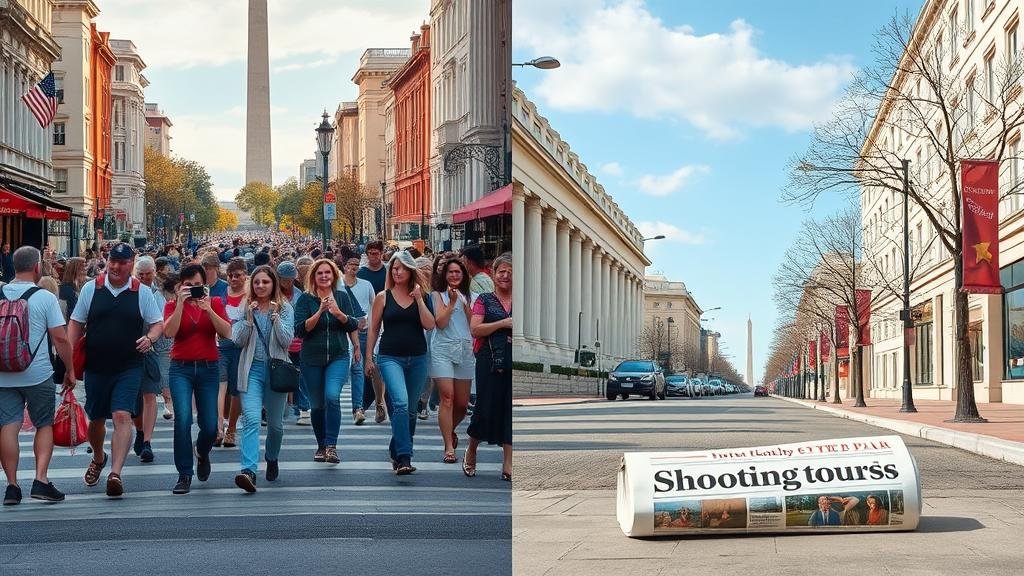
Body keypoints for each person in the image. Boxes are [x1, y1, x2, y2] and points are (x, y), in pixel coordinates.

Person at [68, 243, 164, 498]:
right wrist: (67, 361)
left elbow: (157, 324)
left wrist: (151, 339)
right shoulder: (92, 288)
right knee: (96, 420)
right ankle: (99, 458)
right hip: (97, 366)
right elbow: (76, 323)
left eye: (122, 262)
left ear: (131, 264)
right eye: (112, 260)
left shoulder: (141, 292)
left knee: (122, 415)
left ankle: (115, 473)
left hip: (129, 366)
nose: (115, 266)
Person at [0, 247, 76, 504]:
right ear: (37, 267)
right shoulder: (44, 297)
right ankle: (40, 480)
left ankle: (11, 486)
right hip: (37, 372)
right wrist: (70, 370)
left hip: (3, 373)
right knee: (44, 424)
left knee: (8, 426)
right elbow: (60, 338)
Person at [162, 263, 232, 494]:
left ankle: (201, 451)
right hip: (180, 368)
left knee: (211, 425)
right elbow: (169, 332)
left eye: (198, 285)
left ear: (205, 285)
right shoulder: (172, 305)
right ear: (180, 286)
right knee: (182, 420)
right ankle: (184, 473)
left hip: (208, 367)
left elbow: (226, 332)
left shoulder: (215, 303)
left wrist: (208, 309)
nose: (193, 289)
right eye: (188, 285)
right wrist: (181, 303)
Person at [364, 251, 435, 475]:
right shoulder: (383, 297)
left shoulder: (422, 295)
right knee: (401, 404)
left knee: (411, 410)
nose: (397, 271)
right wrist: (369, 358)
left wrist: (419, 300)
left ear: (410, 270)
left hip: (417, 357)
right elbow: (373, 329)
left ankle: (396, 448)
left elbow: (430, 325)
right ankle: (405, 456)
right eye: (393, 268)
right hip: (390, 356)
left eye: (401, 268)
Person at [230, 265, 294, 492]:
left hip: (276, 371)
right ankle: (248, 470)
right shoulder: (245, 306)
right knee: (251, 419)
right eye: (256, 282)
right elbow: (237, 339)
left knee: (276, 426)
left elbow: (287, 342)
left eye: (265, 282)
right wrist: (248, 319)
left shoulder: (285, 308)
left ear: (273, 283)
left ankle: (272, 456)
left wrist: (277, 319)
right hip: (252, 370)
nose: (260, 286)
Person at [293, 259, 359, 464]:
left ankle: (331, 445)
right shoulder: (305, 299)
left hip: (338, 355)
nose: (324, 276)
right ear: (313, 277)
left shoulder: (342, 295)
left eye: (327, 273)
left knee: (332, 396)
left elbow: (353, 323)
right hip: (312, 358)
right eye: (320, 273)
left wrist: (356, 345)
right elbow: (301, 330)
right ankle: (321, 445)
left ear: (334, 276)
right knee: (317, 404)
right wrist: (320, 311)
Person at [462, 252, 512, 481]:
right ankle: (472, 448)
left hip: (513, 361)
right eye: (502, 271)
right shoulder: (484, 299)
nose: (506, 276)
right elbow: (475, 329)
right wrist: (504, 324)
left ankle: (508, 462)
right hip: (489, 360)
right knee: (485, 407)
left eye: (511, 272)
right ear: (493, 273)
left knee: (508, 411)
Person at [430, 257, 474, 464]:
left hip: (465, 349)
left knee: (462, 405)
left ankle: (451, 430)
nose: (454, 275)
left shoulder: (473, 296)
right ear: (444, 275)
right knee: (447, 397)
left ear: (464, 275)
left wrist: (464, 304)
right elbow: (440, 322)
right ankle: (448, 445)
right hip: (443, 349)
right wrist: (452, 303)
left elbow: (474, 325)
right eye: (450, 272)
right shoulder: (437, 295)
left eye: (458, 272)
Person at [131, 256, 168, 463]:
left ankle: (147, 441)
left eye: (148, 273)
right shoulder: (130, 292)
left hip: (150, 351)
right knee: (134, 402)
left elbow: (162, 324)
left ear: (154, 272)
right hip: (128, 351)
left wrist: (153, 338)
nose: (144, 278)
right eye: (140, 274)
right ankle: (139, 430)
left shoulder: (157, 295)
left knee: (150, 395)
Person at [338, 253, 375, 425]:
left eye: (357, 265)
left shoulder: (366, 285)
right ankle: (331, 404)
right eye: (351, 265)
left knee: (358, 368)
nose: (354, 268)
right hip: (341, 330)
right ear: (345, 267)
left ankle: (358, 408)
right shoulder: (337, 285)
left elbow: (373, 306)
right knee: (340, 370)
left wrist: (373, 326)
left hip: (362, 330)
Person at [219, 257, 248, 448]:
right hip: (220, 344)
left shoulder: (251, 294)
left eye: (237, 275)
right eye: (230, 276)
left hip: (241, 347)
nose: (233, 279)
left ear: (245, 276)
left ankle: (232, 430)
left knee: (236, 389)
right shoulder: (222, 293)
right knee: (219, 385)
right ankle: (219, 427)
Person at [358, 240, 388, 423]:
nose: (373, 256)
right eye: (371, 253)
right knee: (370, 364)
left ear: (382, 253)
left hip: (388, 320)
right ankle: (375, 402)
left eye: (377, 253)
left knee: (382, 364)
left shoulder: (388, 272)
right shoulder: (362, 274)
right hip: (369, 322)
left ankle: (380, 402)